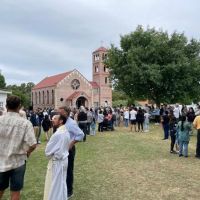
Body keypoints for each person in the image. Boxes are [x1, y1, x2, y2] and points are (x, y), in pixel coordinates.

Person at [0, 95, 37, 200]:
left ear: (6, 106)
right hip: (18, 162)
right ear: (19, 107)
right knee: (15, 192)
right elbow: (33, 144)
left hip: (2, 160)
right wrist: (28, 152)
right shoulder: (25, 123)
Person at [58, 106, 84, 199]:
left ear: (66, 113)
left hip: (69, 150)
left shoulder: (71, 123)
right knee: (61, 170)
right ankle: (63, 189)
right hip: (61, 150)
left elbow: (81, 134)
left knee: (68, 171)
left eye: (60, 112)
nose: (58, 114)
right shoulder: (62, 122)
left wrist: (71, 143)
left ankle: (69, 191)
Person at [43, 114, 70, 200]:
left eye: (55, 119)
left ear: (61, 121)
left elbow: (47, 151)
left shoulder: (58, 134)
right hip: (64, 160)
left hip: (58, 162)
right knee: (61, 184)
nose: (52, 120)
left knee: (55, 185)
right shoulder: (66, 131)